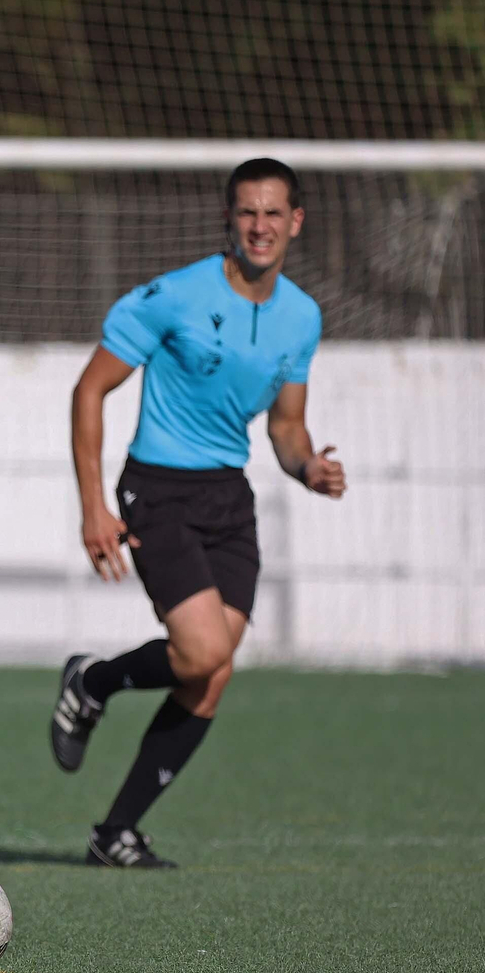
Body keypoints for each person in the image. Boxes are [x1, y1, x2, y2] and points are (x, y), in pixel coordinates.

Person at [52, 158, 346, 868]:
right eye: (248, 211)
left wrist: (307, 466)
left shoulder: (302, 316)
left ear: (295, 222)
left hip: (227, 496)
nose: (261, 225)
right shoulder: (173, 296)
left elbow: (285, 427)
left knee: (211, 673)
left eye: (274, 213)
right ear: (229, 219)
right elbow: (89, 391)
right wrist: (93, 504)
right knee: (205, 650)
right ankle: (91, 681)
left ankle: (114, 830)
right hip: (157, 489)